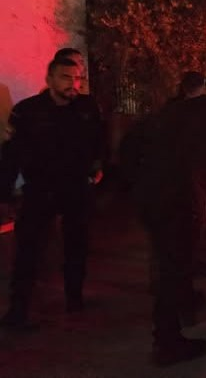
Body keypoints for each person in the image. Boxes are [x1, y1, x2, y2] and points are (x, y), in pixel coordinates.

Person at [134, 70, 206, 366]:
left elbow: (133, 144)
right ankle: (167, 342)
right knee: (176, 265)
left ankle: (185, 300)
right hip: (181, 198)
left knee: (167, 258)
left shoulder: (171, 110)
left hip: (149, 195)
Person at [0, 58, 103, 329]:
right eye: (66, 77)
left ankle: (74, 298)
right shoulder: (28, 111)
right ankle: (19, 309)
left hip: (76, 188)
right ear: (49, 79)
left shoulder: (86, 108)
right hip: (40, 189)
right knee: (28, 250)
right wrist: (4, 193)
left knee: (77, 246)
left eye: (77, 78)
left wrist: (97, 167)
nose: (73, 84)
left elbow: (98, 141)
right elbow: (11, 155)